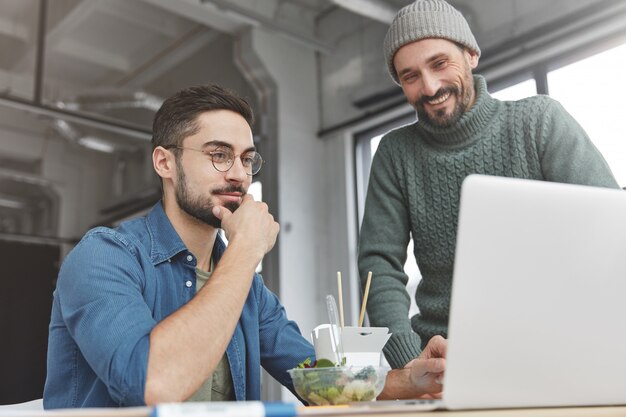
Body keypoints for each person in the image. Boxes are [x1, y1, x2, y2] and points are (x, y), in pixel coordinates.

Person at [44, 84, 445, 408]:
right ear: (165, 163)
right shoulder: (104, 257)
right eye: (219, 155)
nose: (239, 175)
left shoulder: (246, 288)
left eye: (247, 159)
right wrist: (245, 251)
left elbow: (316, 379)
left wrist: (409, 379)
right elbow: (154, 385)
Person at [358, 0, 620, 372]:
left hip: (563, 349)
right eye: (410, 76)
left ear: (471, 55)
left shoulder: (540, 122)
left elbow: (610, 229)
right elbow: (378, 264)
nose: (429, 86)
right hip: (447, 360)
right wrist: (408, 361)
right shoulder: (395, 153)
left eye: (439, 63)